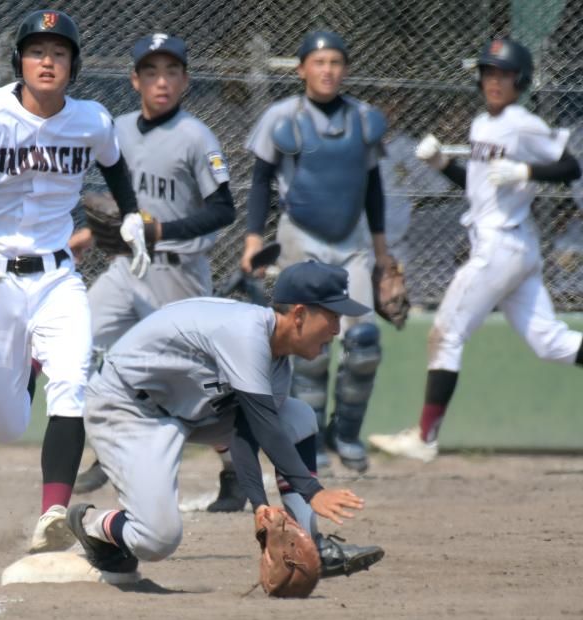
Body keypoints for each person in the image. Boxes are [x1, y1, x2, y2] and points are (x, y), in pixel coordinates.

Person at [0, 10, 145, 553]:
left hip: (57, 277)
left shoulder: (91, 119)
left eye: (59, 53)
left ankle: (53, 514)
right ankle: (26, 368)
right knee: (6, 423)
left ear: (74, 65)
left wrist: (132, 213)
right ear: (19, 62)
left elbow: (113, 164)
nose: (48, 61)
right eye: (37, 51)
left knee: (73, 386)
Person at [67, 261, 385, 578]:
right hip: (127, 407)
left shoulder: (278, 366)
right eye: (332, 316)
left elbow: (245, 434)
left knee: (297, 416)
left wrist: (259, 506)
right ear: (299, 314)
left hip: (189, 412)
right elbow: (265, 428)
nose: (336, 329)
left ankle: (309, 544)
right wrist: (313, 491)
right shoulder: (245, 332)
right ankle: (91, 523)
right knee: (156, 539)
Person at [369, 38, 583, 462]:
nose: (494, 81)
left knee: (445, 334)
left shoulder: (523, 122)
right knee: (551, 342)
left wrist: (527, 169)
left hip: (501, 246)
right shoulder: (481, 125)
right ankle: (425, 436)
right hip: (512, 245)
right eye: (489, 73)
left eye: (503, 74)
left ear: (519, 80)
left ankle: (425, 437)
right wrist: (442, 166)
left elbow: (571, 166)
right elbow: (477, 188)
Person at [68, 33, 244, 512]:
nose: (161, 81)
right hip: (125, 269)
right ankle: (111, 444)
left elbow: (223, 210)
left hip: (178, 275)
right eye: (151, 72)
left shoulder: (196, 136)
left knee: (195, 386)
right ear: (135, 79)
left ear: (185, 80)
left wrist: (162, 229)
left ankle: (235, 472)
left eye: (171, 72)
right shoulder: (117, 130)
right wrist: (86, 234)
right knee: (74, 343)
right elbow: (121, 208)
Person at [239, 30, 400, 474]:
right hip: (301, 237)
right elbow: (259, 181)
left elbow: (373, 188)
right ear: (302, 69)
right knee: (311, 344)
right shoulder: (282, 116)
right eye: (319, 61)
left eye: (335, 62)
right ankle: (309, 434)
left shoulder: (364, 118)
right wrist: (254, 238)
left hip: (352, 242)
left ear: (344, 69)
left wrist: (383, 250)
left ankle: (345, 433)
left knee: (364, 342)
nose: (328, 69)